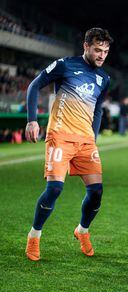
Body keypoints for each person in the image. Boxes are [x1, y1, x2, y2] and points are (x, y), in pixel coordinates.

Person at [24, 28, 113, 261]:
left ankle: (82, 230)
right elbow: (34, 86)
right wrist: (32, 120)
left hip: (85, 141)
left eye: (105, 51)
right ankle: (34, 235)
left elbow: (98, 110)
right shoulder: (65, 65)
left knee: (96, 192)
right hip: (60, 135)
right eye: (97, 50)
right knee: (54, 189)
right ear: (86, 47)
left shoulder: (104, 78)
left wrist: (93, 137)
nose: (102, 55)